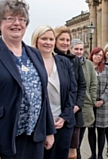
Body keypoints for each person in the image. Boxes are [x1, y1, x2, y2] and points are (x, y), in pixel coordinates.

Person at [0, 0, 56, 159]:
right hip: (4, 141)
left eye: (22, 19)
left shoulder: (34, 53)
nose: (17, 23)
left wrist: (49, 130)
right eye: (10, 18)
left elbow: (43, 96)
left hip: (35, 139)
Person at [31, 25, 77, 159]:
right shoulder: (29, 63)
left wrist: (64, 117)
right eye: (44, 38)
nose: (48, 42)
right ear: (36, 40)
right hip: (38, 125)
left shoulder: (64, 62)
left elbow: (72, 90)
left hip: (62, 122)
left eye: (51, 39)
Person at [54, 26, 86, 159]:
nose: (65, 43)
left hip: (73, 113)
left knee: (73, 153)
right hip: (55, 113)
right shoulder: (51, 57)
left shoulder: (75, 60)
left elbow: (81, 85)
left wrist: (77, 105)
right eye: (62, 39)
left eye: (68, 40)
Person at [69, 39, 97, 159]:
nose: (79, 52)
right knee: (72, 142)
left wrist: (92, 99)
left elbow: (93, 84)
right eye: (76, 49)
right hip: (70, 107)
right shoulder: (67, 62)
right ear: (71, 50)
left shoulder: (89, 64)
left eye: (81, 49)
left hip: (85, 106)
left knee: (79, 139)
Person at [88, 47, 108, 159]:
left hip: (103, 104)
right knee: (91, 130)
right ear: (92, 54)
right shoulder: (87, 67)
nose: (98, 57)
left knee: (101, 131)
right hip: (89, 104)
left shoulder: (106, 68)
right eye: (96, 54)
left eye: (100, 55)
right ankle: (93, 154)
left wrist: (102, 99)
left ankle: (99, 155)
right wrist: (92, 100)